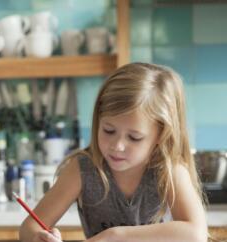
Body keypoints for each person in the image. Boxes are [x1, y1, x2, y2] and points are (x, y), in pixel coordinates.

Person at [19, 63, 208, 242]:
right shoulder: (82, 169)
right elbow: (29, 227)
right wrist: (38, 237)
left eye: (134, 137)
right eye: (108, 131)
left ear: (161, 135)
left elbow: (196, 234)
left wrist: (115, 236)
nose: (117, 145)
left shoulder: (168, 170)